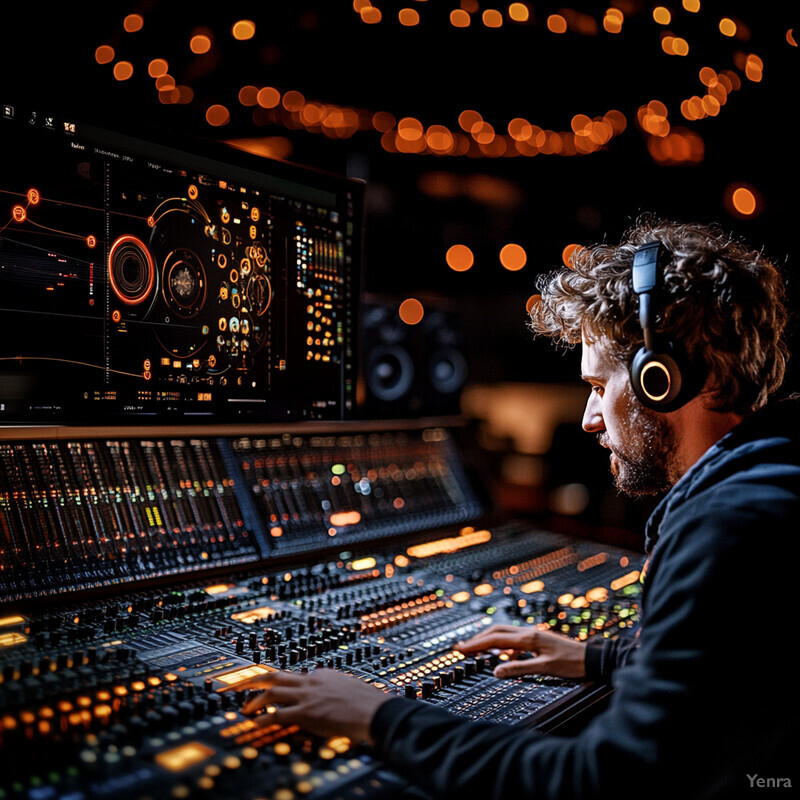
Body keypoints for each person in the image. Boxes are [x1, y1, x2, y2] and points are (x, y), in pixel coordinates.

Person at [227, 218, 797, 798]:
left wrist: (380, 717)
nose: (589, 419)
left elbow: (601, 783)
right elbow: (734, 676)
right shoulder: (769, 484)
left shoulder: (728, 529)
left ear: (661, 380)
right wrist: (601, 659)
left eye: (599, 387)